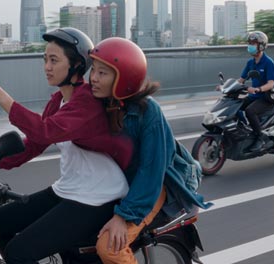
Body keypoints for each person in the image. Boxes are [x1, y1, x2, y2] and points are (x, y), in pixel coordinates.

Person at [0, 27, 132, 264]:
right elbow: (35, 143)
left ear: (76, 65)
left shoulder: (87, 102)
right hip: (69, 189)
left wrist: (2, 97)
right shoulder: (58, 101)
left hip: (96, 197)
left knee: (19, 252)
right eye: (45, 59)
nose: (47, 66)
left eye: (54, 60)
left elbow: (46, 131)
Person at [89, 37, 211, 264]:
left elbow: (151, 171)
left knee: (110, 248)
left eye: (102, 73)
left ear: (123, 78)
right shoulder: (100, 103)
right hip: (118, 184)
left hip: (152, 187)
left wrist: (123, 216)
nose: (93, 78)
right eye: (93, 70)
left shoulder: (148, 112)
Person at [238, 31, 274, 153]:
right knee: (235, 104)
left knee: (250, 111)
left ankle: (259, 137)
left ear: (261, 45)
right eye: (249, 43)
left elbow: (271, 83)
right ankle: (245, 130)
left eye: (253, 43)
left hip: (266, 97)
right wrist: (225, 87)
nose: (250, 46)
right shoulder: (250, 63)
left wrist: (258, 89)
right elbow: (241, 80)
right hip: (254, 96)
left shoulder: (268, 62)